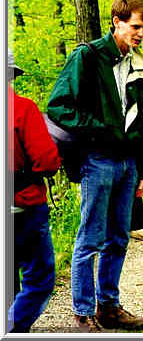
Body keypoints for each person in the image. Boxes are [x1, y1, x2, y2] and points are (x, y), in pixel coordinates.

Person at [47, 0, 143, 332]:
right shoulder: (88, 56)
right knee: (90, 238)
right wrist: (99, 131)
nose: (140, 33)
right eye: (135, 26)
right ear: (117, 22)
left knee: (119, 238)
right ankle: (82, 313)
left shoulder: (138, 64)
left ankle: (109, 308)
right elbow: (58, 106)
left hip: (128, 165)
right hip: (98, 161)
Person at [7, 48, 61, 333]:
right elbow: (48, 160)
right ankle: (12, 328)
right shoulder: (23, 109)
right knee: (39, 278)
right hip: (24, 204)